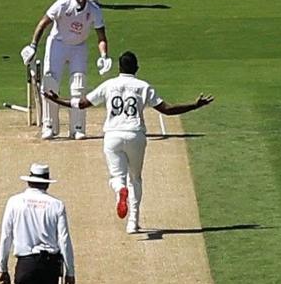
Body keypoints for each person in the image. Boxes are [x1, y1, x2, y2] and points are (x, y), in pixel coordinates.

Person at [84, 49, 211, 237]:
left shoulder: (109, 84)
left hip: (113, 135)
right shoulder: (143, 86)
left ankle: (120, 190)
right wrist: (194, 105)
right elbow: (167, 109)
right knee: (135, 178)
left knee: (117, 177)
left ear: (119, 68)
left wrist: (56, 100)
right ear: (136, 68)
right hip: (136, 135)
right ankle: (133, 223)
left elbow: (82, 103)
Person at [24, 0, 107, 140]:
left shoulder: (94, 10)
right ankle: (49, 125)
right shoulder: (62, 4)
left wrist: (104, 55)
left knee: (78, 84)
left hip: (79, 46)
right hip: (58, 43)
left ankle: (77, 127)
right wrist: (33, 45)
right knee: (50, 81)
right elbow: (43, 23)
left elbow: (101, 36)